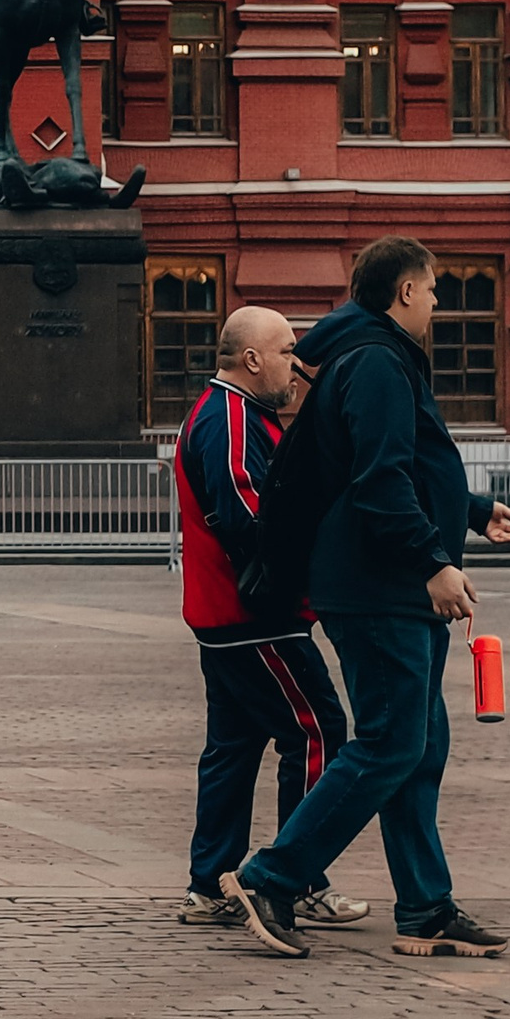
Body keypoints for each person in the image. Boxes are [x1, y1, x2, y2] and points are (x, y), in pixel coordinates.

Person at [222, 236, 510, 962]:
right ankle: (271, 877)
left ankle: (425, 906)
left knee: (418, 747)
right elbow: (381, 482)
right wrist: (433, 563)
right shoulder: (378, 360)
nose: (440, 304)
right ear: (407, 291)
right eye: (435, 290)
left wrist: (472, 508)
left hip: (386, 585)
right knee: (389, 742)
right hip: (381, 585)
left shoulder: (367, 355)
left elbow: (399, 462)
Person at [172, 307, 361, 935]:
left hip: (227, 614)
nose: (296, 362)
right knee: (319, 732)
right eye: (285, 351)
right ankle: (295, 877)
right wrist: (300, 572)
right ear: (252, 358)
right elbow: (245, 511)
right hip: (257, 616)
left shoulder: (233, 412)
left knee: (233, 747)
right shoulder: (228, 415)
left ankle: (209, 883)